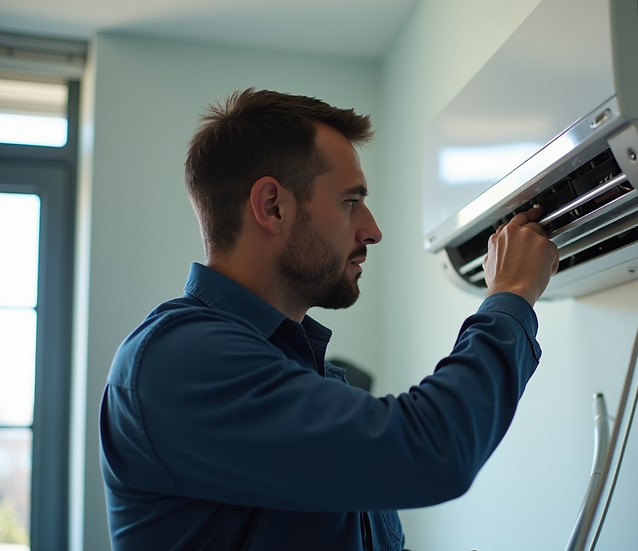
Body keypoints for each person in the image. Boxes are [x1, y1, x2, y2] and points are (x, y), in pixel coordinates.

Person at [99, 89, 559, 550]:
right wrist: (512, 296)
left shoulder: (299, 371)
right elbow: (431, 452)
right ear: (272, 206)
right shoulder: (177, 359)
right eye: (350, 201)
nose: (373, 230)